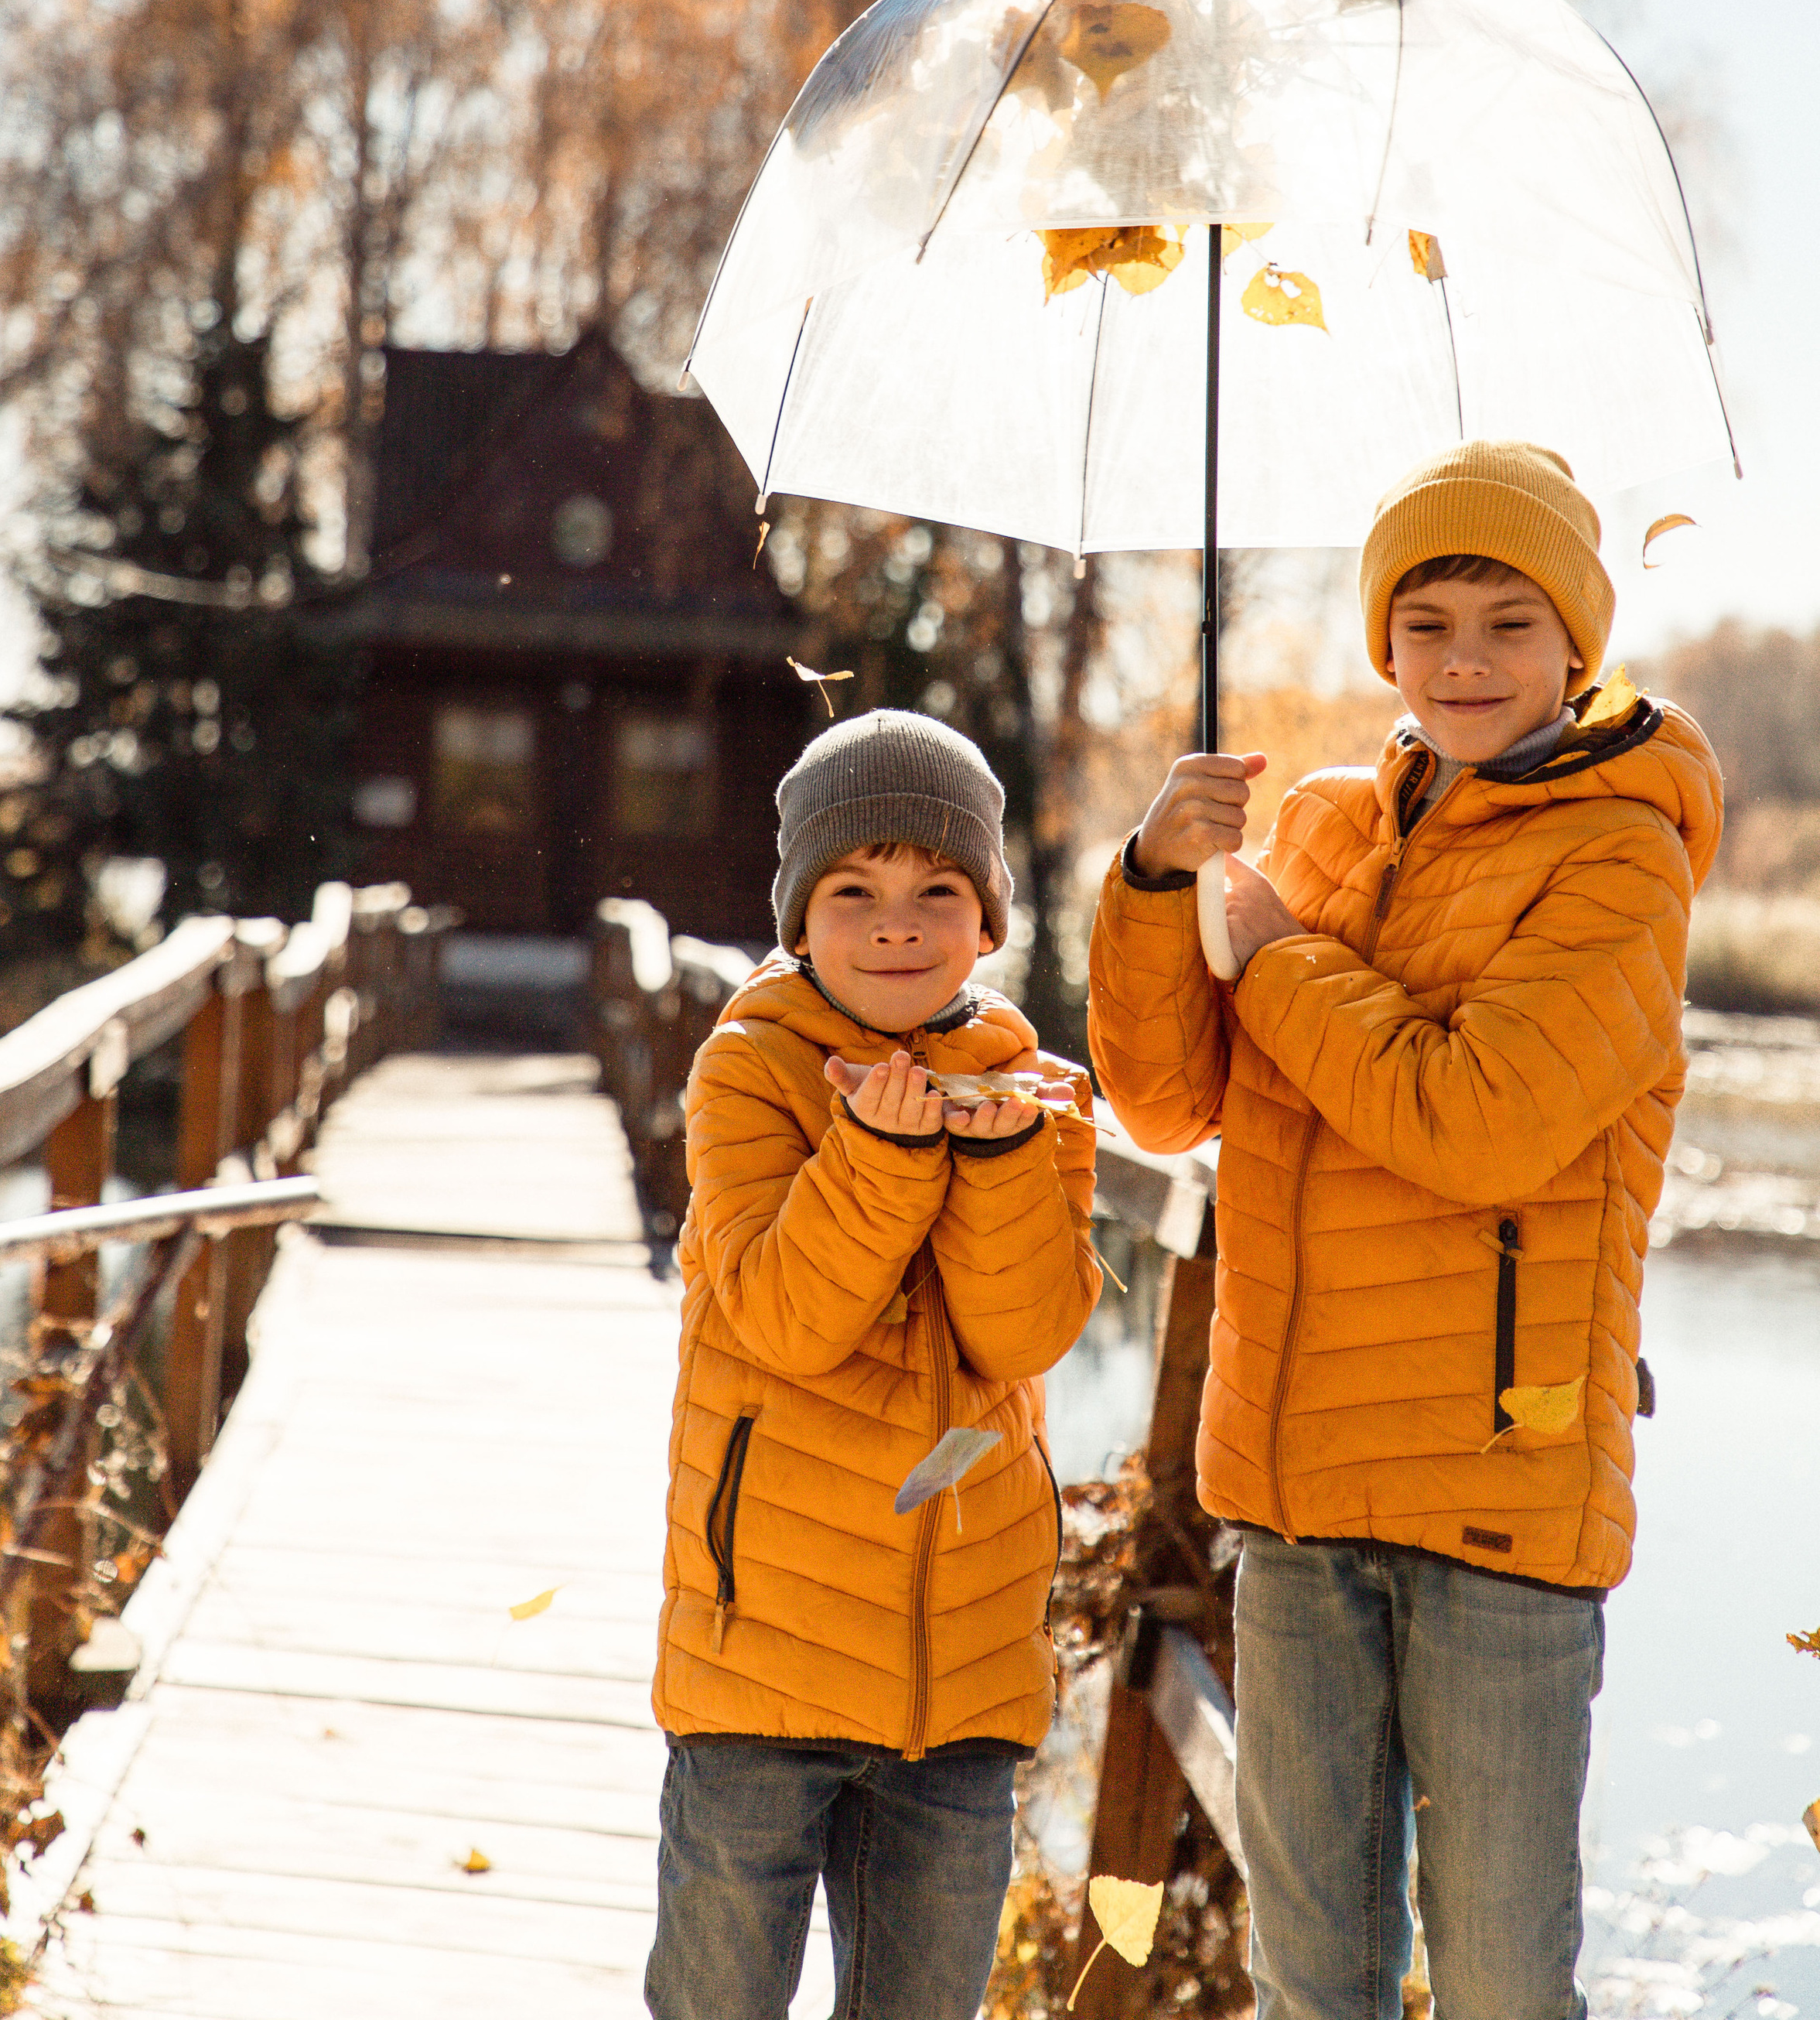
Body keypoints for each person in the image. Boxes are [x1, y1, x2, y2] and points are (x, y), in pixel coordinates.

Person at [1088, 439, 1723, 2020]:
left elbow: (1481, 1118)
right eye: (1425, 620)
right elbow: (1165, 1107)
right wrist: (1156, 885)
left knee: (1505, 1981)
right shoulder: (1304, 827)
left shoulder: (1620, 852)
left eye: (1506, 624)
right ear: (1382, 642)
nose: (1461, 660)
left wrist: (1282, 961)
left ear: (1574, 645)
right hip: (1294, 1495)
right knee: (1317, 1979)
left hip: (1495, 1492)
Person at [645, 707, 1101, 2020]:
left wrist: (1002, 1161)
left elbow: (1021, 1337)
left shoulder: (1033, 1093)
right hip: (761, 1654)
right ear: (798, 920)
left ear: (988, 921)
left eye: (935, 890)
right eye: (855, 892)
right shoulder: (748, 1074)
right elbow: (786, 1320)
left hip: (960, 1669)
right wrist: (884, 1156)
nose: (897, 923)